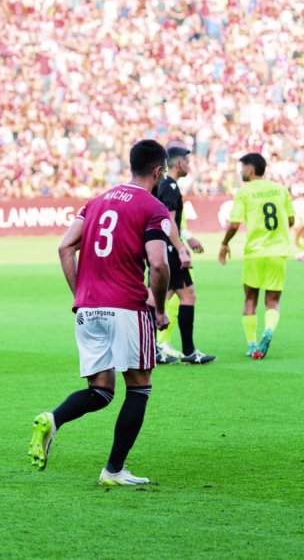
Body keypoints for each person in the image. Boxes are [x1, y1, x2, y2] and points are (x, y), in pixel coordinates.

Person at [29, 139, 172, 486]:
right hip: (126, 307)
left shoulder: (94, 202)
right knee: (139, 388)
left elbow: (65, 247)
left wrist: (81, 293)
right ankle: (113, 471)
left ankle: (53, 418)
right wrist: (161, 308)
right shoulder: (153, 208)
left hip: (88, 309)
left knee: (101, 390)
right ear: (157, 171)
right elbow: (158, 264)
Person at [219, 153, 295, 359]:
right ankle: (268, 332)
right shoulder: (280, 189)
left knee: (250, 299)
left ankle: (252, 345)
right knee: (273, 300)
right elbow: (290, 220)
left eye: (242, 168)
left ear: (250, 169)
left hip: (255, 253)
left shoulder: (245, 192)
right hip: (278, 253)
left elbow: (234, 224)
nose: (241, 172)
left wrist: (225, 244)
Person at [154, 147, 214, 364]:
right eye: (187, 162)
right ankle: (175, 351)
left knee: (182, 295)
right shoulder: (169, 186)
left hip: (165, 248)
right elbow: (168, 221)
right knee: (160, 298)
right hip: (169, 250)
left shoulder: (164, 185)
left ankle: (169, 350)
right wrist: (180, 248)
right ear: (179, 164)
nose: (189, 165)